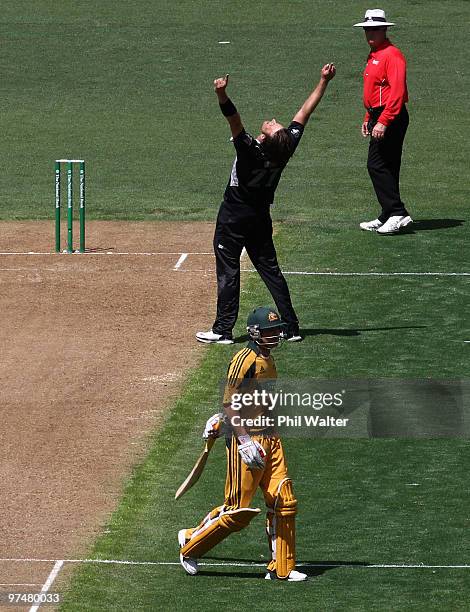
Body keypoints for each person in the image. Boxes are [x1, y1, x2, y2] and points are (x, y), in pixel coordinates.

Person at [196, 64, 336, 345]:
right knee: (271, 271)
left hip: (233, 219)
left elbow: (233, 119)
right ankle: (291, 327)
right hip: (260, 218)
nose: (273, 120)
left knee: (228, 271)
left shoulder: (249, 151)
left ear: (270, 138)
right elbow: (304, 114)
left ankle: (223, 330)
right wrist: (323, 81)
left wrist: (221, 94)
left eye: (274, 126)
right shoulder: (284, 149)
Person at [179, 307, 307, 581]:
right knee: (237, 510)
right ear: (255, 333)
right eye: (271, 330)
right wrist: (244, 440)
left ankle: (282, 569)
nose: (276, 334)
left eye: (277, 330)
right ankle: (190, 546)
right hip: (246, 441)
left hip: (270, 438)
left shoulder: (268, 359)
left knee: (283, 500)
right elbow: (229, 401)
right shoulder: (243, 360)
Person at [354, 9, 413, 235]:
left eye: (375, 29)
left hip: (391, 116)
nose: (370, 33)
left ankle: (397, 211)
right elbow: (376, 91)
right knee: (387, 165)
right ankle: (389, 213)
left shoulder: (392, 55)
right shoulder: (374, 54)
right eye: (367, 29)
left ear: (385, 29)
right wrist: (369, 117)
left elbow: (396, 93)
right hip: (379, 115)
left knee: (376, 165)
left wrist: (384, 121)